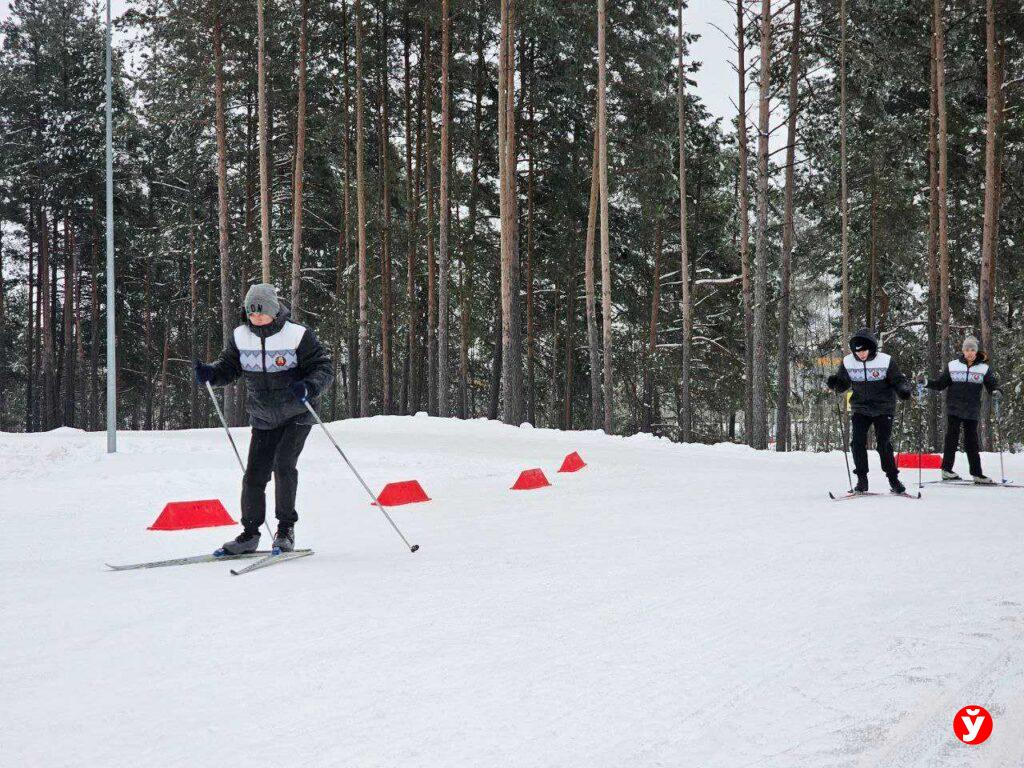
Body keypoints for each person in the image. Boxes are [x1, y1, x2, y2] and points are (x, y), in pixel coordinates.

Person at [195, 284, 333, 554]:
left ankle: (285, 530)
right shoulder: (240, 336)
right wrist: (211, 373)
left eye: (260, 311)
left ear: (272, 309)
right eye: (251, 312)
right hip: (262, 416)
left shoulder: (297, 334)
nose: (255, 317)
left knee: (283, 466)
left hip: (297, 413)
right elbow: (229, 368)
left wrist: (310, 386)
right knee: (255, 475)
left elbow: (323, 366)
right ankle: (250, 533)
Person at [827, 328, 912, 494]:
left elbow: (898, 380)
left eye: (864, 350)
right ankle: (862, 480)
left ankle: (893, 479)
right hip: (860, 407)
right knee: (857, 443)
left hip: (884, 407)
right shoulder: (848, 362)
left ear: (872, 347)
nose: (861, 354)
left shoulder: (885, 361)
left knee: (883, 445)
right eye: (858, 351)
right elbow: (843, 383)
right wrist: (835, 384)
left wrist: (903, 389)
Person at [920, 335, 1001, 484]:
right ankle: (946, 470)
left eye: (972, 349)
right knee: (951, 439)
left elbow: (992, 385)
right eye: (967, 349)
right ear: (963, 351)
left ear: (976, 352)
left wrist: (996, 391)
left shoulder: (983, 368)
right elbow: (940, 384)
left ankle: (977, 474)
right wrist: (926, 382)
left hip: (972, 410)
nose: (969, 352)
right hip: (954, 408)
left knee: (972, 442)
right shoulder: (953, 366)